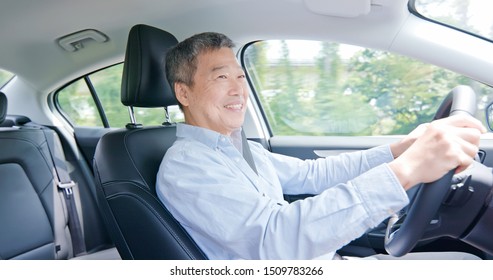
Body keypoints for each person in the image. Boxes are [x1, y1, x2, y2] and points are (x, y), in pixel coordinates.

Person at [156, 32, 485, 260]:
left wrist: (399, 149)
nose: (238, 90)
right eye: (220, 77)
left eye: (240, 77)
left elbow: (310, 174)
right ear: (184, 94)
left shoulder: (236, 146)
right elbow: (276, 239)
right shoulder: (186, 166)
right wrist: (405, 172)